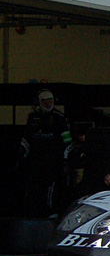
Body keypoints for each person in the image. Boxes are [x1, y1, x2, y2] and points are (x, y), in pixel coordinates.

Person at [19, 89, 72, 217]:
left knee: (52, 191)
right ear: (39, 102)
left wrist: (65, 160)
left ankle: (51, 213)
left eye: (50, 101)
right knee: (33, 189)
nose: (47, 104)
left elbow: (68, 141)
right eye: (44, 101)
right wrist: (21, 155)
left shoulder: (59, 118)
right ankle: (32, 214)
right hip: (35, 163)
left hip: (53, 164)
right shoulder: (32, 118)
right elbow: (26, 139)